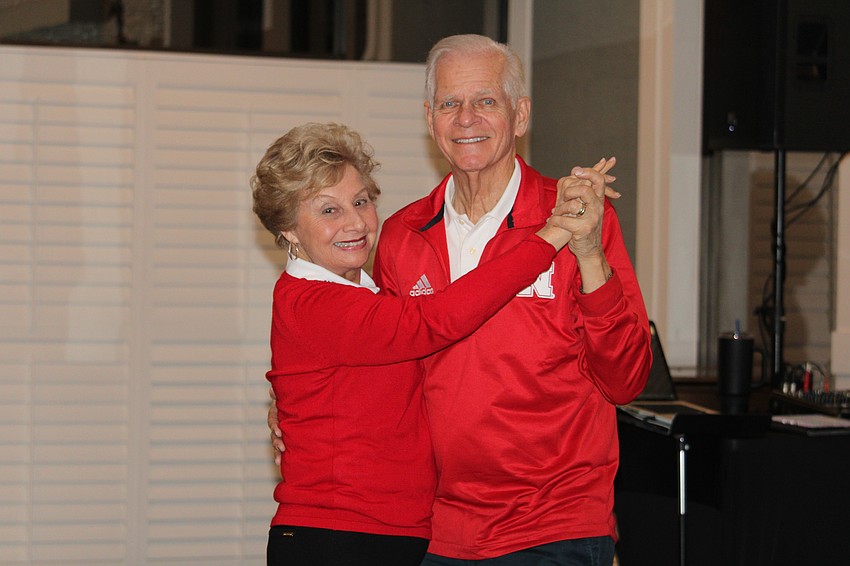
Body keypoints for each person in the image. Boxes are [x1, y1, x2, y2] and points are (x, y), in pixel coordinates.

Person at [252, 121, 610, 566]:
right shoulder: (312, 303)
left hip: (387, 536)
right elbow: (438, 319)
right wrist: (552, 235)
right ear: (288, 228)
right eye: (328, 210)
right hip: (339, 537)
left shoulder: (364, 296)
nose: (356, 222)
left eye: (361, 201)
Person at [369, 34, 653, 565]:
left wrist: (589, 251)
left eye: (486, 101)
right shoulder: (402, 235)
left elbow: (626, 380)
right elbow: (385, 374)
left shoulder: (576, 218)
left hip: (553, 526)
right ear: (430, 119)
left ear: (520, 115)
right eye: (450, 103)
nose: (466, 118)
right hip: (435, 529)